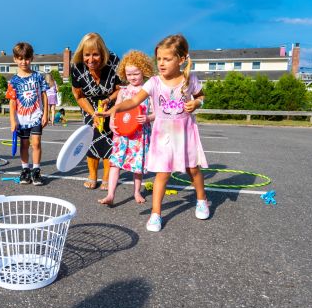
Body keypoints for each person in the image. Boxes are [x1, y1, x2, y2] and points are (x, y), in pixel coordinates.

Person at [99, 34, 209, 232]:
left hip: (185, 132)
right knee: (162, 174)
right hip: (163, 134)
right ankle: (156, 214)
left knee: (193, 169)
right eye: (158, 59)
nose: (161, 63)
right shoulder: (154, 83)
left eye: (167, 59)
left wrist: (197, 103)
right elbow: (133, 101)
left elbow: (201, 96)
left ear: (181, 59)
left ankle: (202, 199)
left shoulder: (189, 79)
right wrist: (115, 109)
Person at [98, 50, 155, 206]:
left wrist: (148, 118)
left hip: (139, 134)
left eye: (136, 73)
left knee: (137, 166)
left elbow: (157, 112)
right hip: (122, 134)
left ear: (144, 71)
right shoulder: (123, 91)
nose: (132, 77)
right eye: (129, 74)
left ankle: (137, 192)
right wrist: (111, 123)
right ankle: (110, 194)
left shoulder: (148, 91)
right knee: (115, 162)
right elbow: (116, 109)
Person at [71, 32, 121, 190]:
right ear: (82, 54)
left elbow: (120, 89)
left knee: (109, 138)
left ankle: (107, 177)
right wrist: (93, 113)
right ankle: (92, 175)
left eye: (95, 55)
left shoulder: (114, 61)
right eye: (87, 55)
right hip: (89, 103)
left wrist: (108, 102)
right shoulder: (77, 66)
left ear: (103, 54)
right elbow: (78, 95)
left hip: (110, 101)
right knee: (91, 138)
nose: (90, 60)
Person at [6, 42, 49, 186]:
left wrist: (45, 114)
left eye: (27, 58)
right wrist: (13, 120)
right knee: (24, 144)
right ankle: (25, 170)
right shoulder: (13, 81)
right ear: (15, 59)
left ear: (32, 58)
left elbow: (44, 95)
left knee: (36, 143)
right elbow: (12, 102)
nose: (24, 61)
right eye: (20, 58)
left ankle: (36, 170)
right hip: (21, 118)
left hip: (36, 115)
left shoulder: (38, 77)